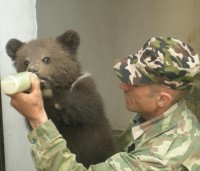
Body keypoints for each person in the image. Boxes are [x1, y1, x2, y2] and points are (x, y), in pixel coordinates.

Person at [8, 37, 200, 171]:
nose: (122, 85)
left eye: (133, 82)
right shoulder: (161, 118)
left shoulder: (160, 158)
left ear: (162, 99)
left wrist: (37, 119)